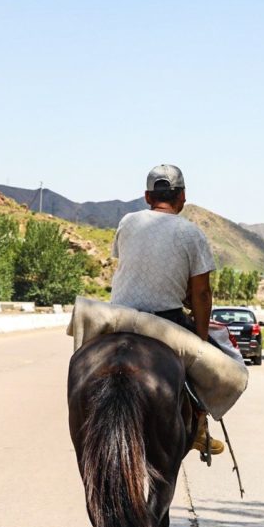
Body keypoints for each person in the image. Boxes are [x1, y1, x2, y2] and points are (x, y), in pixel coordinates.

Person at [110, 163, 225, 456]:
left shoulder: (127, 222)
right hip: (166, 320)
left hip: (119, 317)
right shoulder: (191, 234)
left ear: (148, 197)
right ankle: (199, 427)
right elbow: (201, 292)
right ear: (182, 196)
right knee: (208, 366)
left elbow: (130, 265)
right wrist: (200, 340)